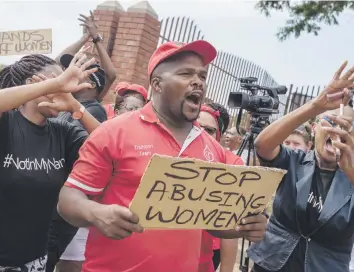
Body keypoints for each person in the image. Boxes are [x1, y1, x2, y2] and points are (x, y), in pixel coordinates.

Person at [57, 40, 268, 272]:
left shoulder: (212, 148)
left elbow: (209, 222)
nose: (198, 81)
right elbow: (68, 199)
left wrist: (240, 226)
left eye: (202, 76)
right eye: (186, 74)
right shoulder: (114, 132)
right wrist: (95, 213)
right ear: (157, 84)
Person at [0, 51, 100, 271]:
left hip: (32, 261)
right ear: (33, 85)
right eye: (56, 80)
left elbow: (108, 146)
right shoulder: (4, 123)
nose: (65, 86)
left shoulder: (63, 132)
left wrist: (75, 106)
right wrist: (54, 84)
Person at [249, 57, 354, 272]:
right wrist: (315, 105)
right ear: (314, 129)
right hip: (272, 263)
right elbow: (263, 146)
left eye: (347, 127)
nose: (337, 130)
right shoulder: (294, 160)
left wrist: (351, 167)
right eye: (330, 122)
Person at [47, 12, 116, 272]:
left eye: (80, 75)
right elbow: (56, 63)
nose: (70, 75)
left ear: (92, 85)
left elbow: (111, 73)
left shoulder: (92, 111)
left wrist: (97, 39)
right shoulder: (68, 104)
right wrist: (84, 37)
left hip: (72, 197)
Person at [197, 103, 238, 272]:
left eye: (210, 130)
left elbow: (230, 220)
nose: (201, 133)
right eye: (197, 126)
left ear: (218, 134)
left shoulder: (231, 162)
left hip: (210, 247)